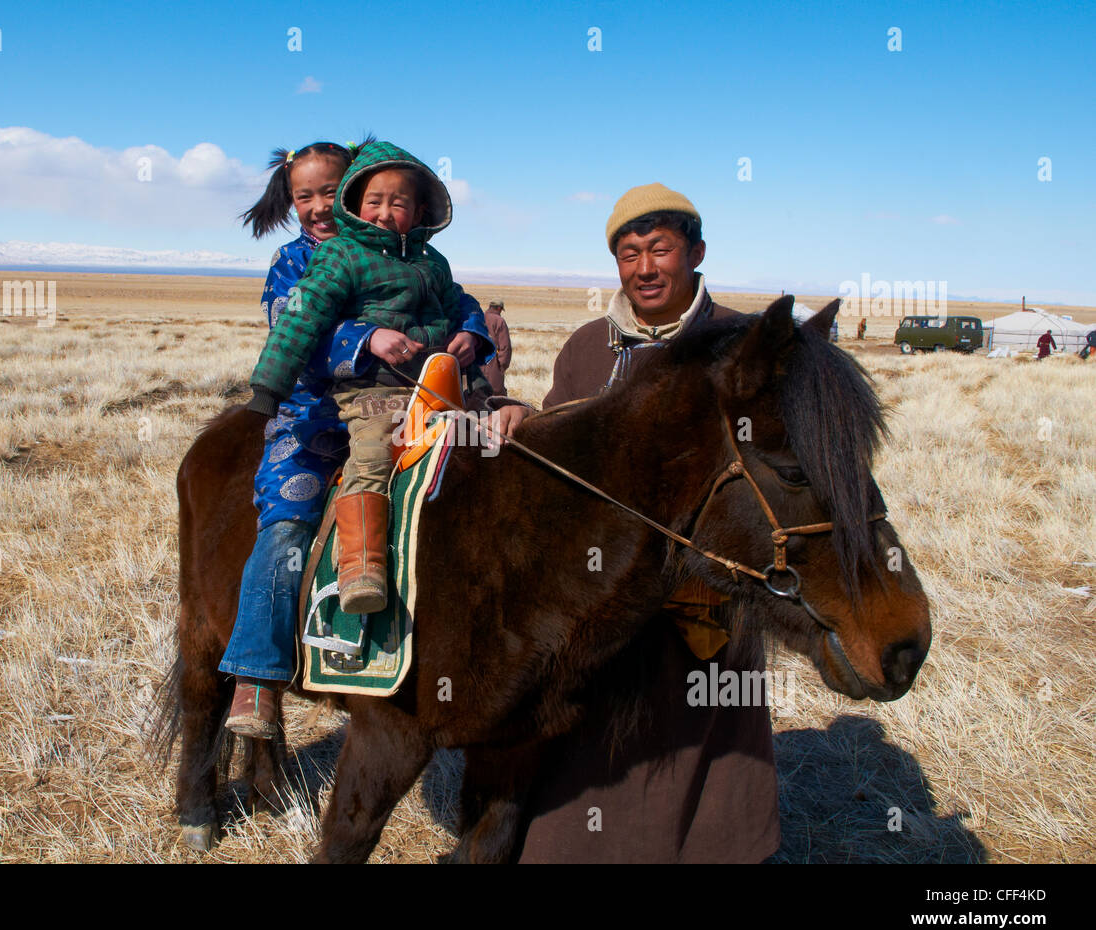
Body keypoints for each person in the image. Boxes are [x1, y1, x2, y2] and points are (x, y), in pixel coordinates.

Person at [491, 183, 781, 863]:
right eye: (628, 252)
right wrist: (522, 420)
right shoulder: (591, 346)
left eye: (660, 247)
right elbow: (561, 450)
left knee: (709, 725)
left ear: (696, 251)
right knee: (594, 732)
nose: (644, 265)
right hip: (605, 588)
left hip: (711, 586)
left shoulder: (743, 343)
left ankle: (722, 846)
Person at [219, 138, 496, 738]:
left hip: (414, 393)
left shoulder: (416, 257)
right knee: (288, 516)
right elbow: (293, 328)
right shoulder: (294, 263)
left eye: (328, 190)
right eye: (304, 195)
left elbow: (458, 302)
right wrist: (363, 340)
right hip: (314, 412)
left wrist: (471, 334)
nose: (318, 205)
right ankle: (257, 674)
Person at [481, 300, 512, 395]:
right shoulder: (499, 321)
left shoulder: (480, 317)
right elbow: (505, 347)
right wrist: (502, 366)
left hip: (475, 365)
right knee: (495, 399)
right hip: (493, 365)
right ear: (499, 308)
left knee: (476, 397)